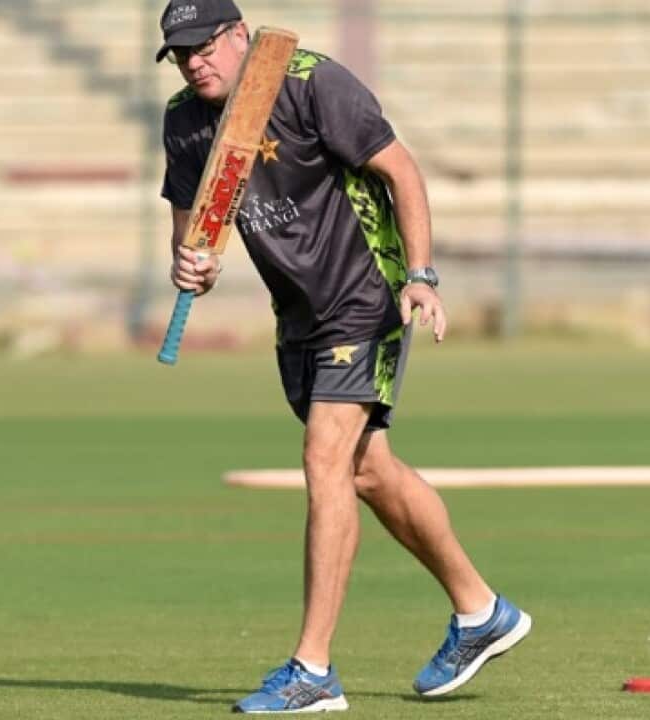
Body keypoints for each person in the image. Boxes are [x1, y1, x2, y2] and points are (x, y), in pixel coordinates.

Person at [154, 0, 531, 713]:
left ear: (238, 36)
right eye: (179, 53)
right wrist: (193, 267)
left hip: (367, 295)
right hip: (297, 317)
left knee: (324, 457)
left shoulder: (311, 82)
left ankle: (313, 670)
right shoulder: (183, 119)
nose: (193, 60)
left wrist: (420, 276)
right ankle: (483, 612)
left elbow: (404, 173)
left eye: (203, 45)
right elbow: (191, 235)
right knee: (367, 469)